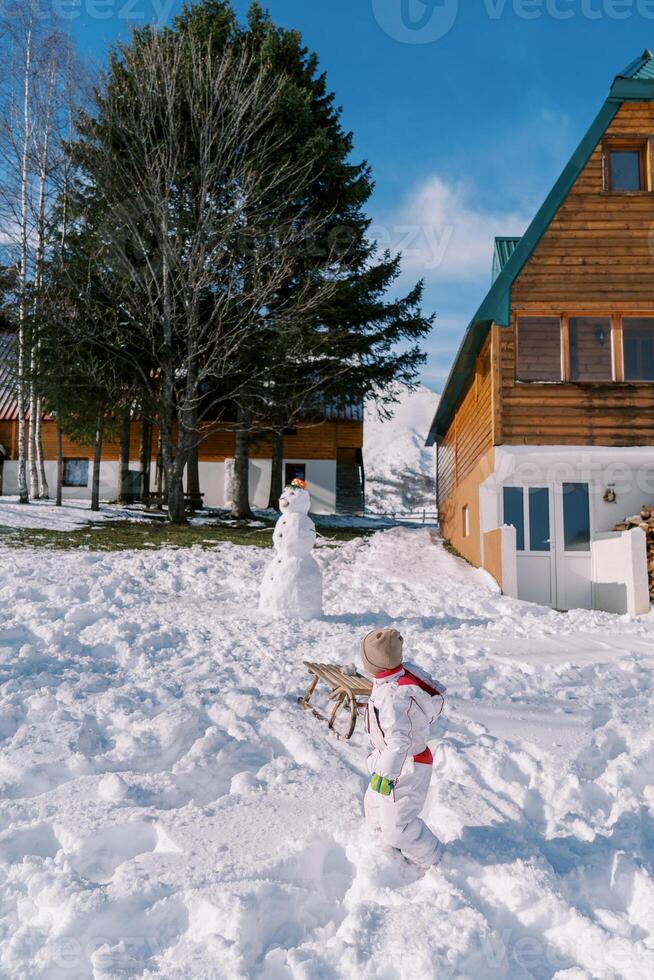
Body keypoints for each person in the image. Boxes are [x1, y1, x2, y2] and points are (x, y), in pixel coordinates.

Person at [361, 627, 445, 869]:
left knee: (399, 827)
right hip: (389, 761)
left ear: (374, 664)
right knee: (374, 807)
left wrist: (387, 774)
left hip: (407, 766)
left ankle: (435, 859)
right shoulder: (390, 680)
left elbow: (399, 741)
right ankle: (385, 852)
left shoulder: (393, 697)